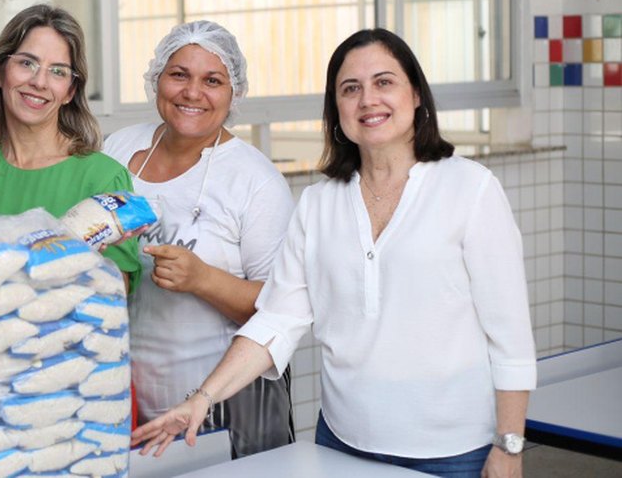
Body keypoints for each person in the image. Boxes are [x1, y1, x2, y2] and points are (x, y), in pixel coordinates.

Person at [132, 28, 536, 478]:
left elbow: (511, 335)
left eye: (384, 82)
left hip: (456, 451)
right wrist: (201, 400)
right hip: (342, 444)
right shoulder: (320, 204)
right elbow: (277, 319)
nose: (368, 100)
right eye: (350, 89)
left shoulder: (471, 189)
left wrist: (509, 445)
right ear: (336, 108)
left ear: (416, 94)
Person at [104, 20, 295, 458]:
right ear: (157, 79)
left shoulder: (255, 181)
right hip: (131, 400)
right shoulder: (117, 148)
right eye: (179, 75)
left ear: (235, 92)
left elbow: (281, 309)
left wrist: (203, 279)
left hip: (225, 406)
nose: (193, 92)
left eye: (213, 80)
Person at [0, 3, 141, 293]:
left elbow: (113, 294)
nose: (39, 82)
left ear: (70, 91)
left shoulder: (103, 179)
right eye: (27, 63)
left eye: (58, 71)